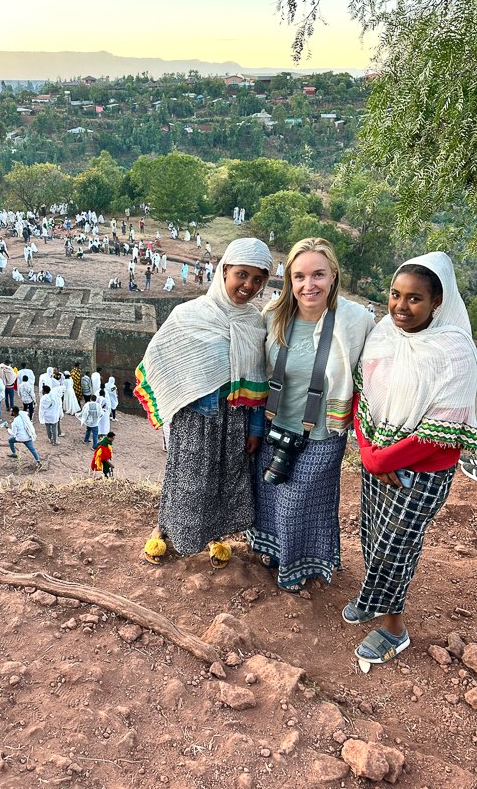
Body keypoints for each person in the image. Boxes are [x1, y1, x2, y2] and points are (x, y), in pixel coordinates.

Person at [346, 252, 477, 666]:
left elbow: (444, 432)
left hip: (420, 472)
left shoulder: (455, 352)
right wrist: (369, 453)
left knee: (396, 546)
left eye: (415, 298)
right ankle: (373, 601)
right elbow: (363, 396)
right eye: (395, 295)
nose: (401, 306)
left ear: (437, 302)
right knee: (372, 536)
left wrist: (382, 461)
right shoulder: (383, 334)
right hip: (378, 459)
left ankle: (394, 630)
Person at [245, 237, 374, 592]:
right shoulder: (274, 314)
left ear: (334, 274)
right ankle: (270, 551)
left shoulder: (356, 322)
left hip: (322, 433)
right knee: (270, 495)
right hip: (275, 425)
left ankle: (297, 567)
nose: (308, 285)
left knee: (299, 505)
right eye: (299, 276)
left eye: (318, 274)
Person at [135, 238, 272, 568]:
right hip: (195, 419)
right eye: (242, 274)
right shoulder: (190, 315)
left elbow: (259, 380)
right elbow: (159, 359)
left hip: (235, 420)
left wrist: (255, 428)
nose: (248, 285)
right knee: (185, 481)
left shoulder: (254, 323)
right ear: (224, 271)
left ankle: (218, 539)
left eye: (257, 279)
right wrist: (173, 408)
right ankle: (164, 533)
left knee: (225, 480)